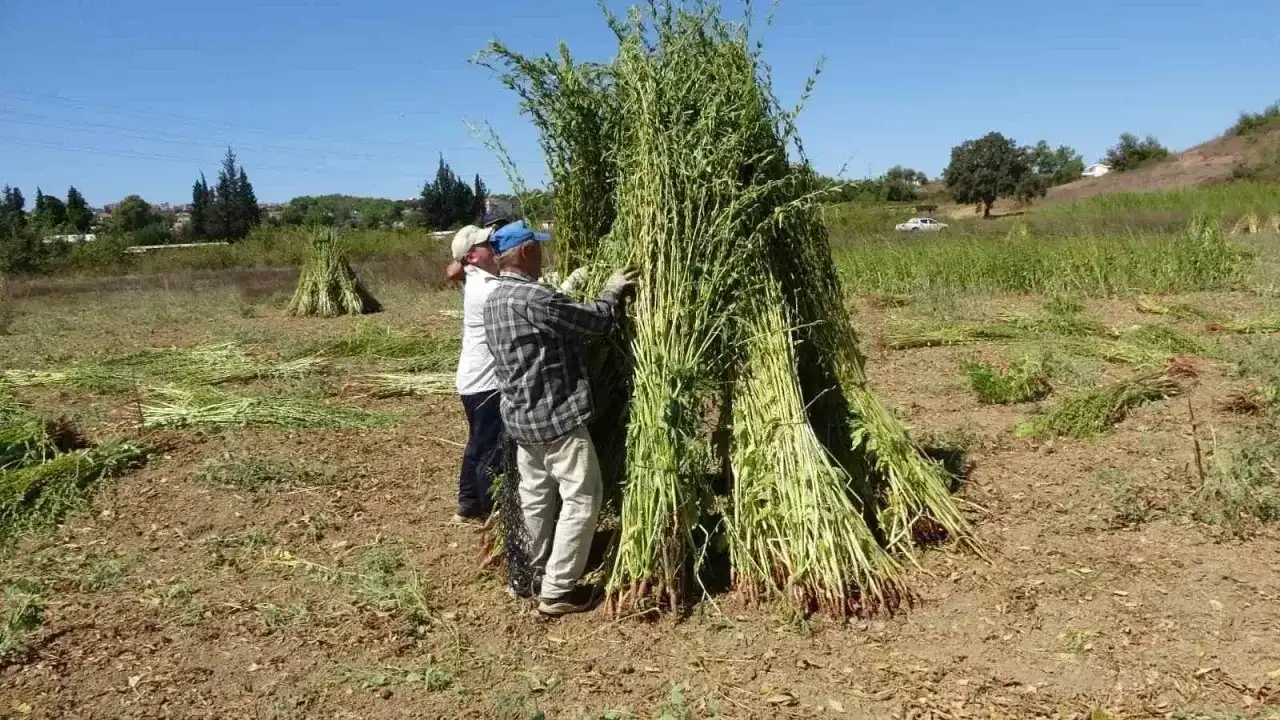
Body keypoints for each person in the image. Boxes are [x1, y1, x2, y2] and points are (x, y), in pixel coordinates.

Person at [483, 221, 638, 616]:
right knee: (582, 499)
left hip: (521, 421)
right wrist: (612, 289)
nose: (542, 255)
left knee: (535, 499)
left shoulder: (495, 299)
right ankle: (557, 590)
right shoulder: (535, 298)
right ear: (525, 252)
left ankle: (527, 576)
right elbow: (595, 321)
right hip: (556, 421)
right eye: (537, 248)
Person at [449, 224, 505, 523]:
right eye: (488, 244)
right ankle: (491, 510)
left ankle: (468, 504)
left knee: (478, 443)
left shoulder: (474, 276)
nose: (495, 246)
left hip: (473, 381)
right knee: (490, 449)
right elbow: (525, 295)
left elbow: (453, 270)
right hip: (486, 384)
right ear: (472, 256)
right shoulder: (487, 289)